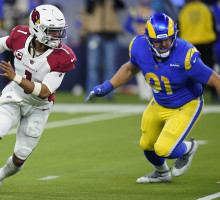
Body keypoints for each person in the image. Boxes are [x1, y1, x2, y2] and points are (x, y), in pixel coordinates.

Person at [85, 13, 220, 183]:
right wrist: (106, 86)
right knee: (147, 144)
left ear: (174, 36)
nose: (164, 44)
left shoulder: (186, 55)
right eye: (158, 41)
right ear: (148, 39)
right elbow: (129, 69)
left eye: (168, 39)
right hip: (159, 101)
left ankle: (189, 148)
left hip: (186, 104)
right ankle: (161, 173)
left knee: (164, 148)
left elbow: (216, 80)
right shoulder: (138, 46)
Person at [0, 4, 76, 195]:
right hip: (15, 96)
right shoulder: (20, 35)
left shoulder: (64, 56)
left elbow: (44, 91)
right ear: (37, 28)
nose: (58, 36)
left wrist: (15, 77)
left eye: (60, 31)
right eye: (53, 32)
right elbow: (1, 43)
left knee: (20, 158)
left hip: (39, 106)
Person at [81, 0, 125, 100]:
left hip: (111, 34)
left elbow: (121, 6)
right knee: (93, 66)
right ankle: (92, 93)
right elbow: (88, 9)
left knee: (110, 66)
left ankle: (108, 93)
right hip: (95, 34)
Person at [178, 0, 219, 102]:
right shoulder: (205, 9)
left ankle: (189, 95)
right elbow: (214, 27)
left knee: (188, 71)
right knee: (210, 68)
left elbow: (179, 30)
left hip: (189, 44)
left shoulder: (183, 11)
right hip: (206, 42)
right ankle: (215, 95)